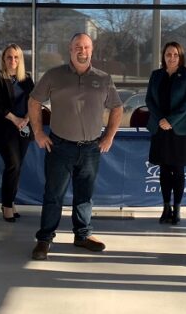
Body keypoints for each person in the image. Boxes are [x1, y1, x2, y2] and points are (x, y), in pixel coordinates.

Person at [28, 33, 123, 260]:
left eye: (86, 47)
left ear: (92, 50)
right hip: (60, 147)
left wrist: (109, 136)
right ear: (70, 50)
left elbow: (117, 107)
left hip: (91, 149)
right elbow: (34, 101)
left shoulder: (103, 78)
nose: (82, 51)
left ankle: (82, 235)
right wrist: (38, 132)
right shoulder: (54, 75)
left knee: (84, 195)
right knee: (54, 195)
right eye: (78, 47)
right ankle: (45, 239)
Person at [145, 41, 186, 224]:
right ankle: (166, 208)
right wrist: (161, 120)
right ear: (163, 56)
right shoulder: (156, 75)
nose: (172, 58)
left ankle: (177, 209)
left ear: (180, 57)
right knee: (164, 169)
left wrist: (171, 120)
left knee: (178, 170)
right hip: (160, 129)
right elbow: (149, 100)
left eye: (175, 54)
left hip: (179, 130)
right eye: (168, 54)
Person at [0, 43, 35, 222]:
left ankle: (10, 202)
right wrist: (16, 120)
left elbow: (34, 101)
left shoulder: (26, 79)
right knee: (13, 165)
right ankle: (7, 205)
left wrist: (27, 119)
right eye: (9, 57)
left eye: (16, 57)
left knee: (17, 168)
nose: (12, 60)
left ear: (20, 59)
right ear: (3, 59)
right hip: (4, 130)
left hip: (23, 129)